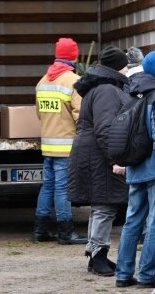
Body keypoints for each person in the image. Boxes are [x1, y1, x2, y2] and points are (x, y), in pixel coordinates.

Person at [115, 50, 155, 288]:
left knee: (133, 220)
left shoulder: (133, 91)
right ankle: (148, 274)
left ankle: (123, 274)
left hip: (135, 166)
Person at [68, 46, 131, 277]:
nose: (128, 70)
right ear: (117, 68)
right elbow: (106, 129)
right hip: (99, 155)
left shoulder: (101, 86)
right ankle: (98, 256)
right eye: (125, 65)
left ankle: (95, 252)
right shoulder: (107, 90)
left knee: (101, 205)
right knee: (105, 206)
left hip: (92, 153)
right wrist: (116, 158)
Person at [33, 37, 87, 245]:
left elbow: (39, 113)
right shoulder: (73, 81)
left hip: (48, 145)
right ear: (74, 57)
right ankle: (66, 232)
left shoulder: (43, 81)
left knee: (47, 187)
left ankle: (40, 230)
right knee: (63, 189)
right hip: (66, 146)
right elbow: (80, 115)